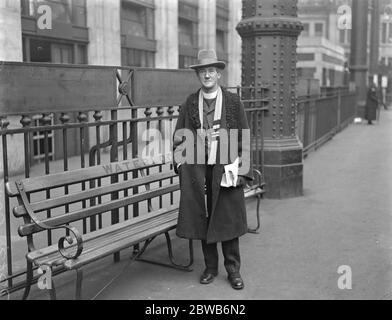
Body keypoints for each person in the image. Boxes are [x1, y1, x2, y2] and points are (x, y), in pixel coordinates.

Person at [172, 49, 253, 290]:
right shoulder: (189, 103)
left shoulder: (232, 102)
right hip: (199, 171)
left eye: (211, 71)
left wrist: (241, 170)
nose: (206, 75)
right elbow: (179, 136)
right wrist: (179, 163)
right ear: (198, 75)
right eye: (202, 71)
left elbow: (245, 138)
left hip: (225, 168)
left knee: (227, 218)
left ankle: (233, 270)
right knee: (203, 217)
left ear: (218, 74)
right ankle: (209, 267)